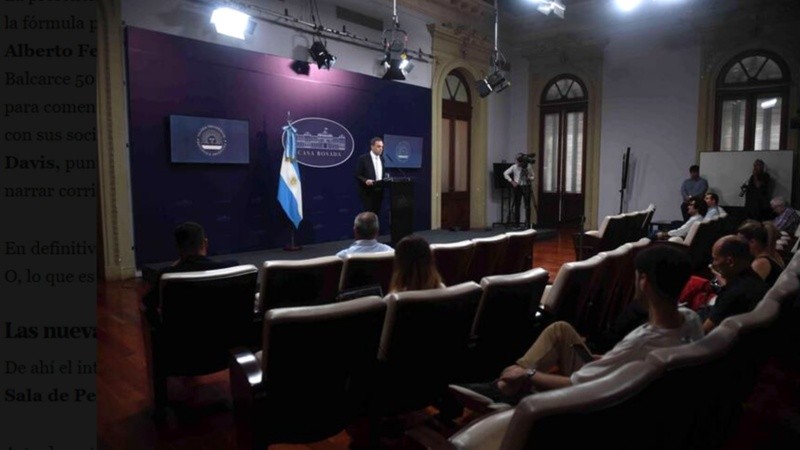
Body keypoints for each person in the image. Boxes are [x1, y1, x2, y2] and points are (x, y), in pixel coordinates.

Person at [492, 245, 702, 398]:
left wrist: (528, 374)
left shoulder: (642, 341)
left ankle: (504, 387)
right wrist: (609, 359)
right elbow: (628, 361)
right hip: (618, 378)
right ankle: (505, 386)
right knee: (560, 329)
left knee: (522, 374)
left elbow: (576, 385)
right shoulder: (692, 319)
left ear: (644, 282)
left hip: (596, 394)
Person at [142, 222, 239, 318]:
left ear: (177, 247)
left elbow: (148, 303)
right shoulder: (232, 269)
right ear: (205, 243)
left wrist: (173, 267)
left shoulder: (166, 275)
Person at [701, 235, 768, 333]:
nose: (713, 264)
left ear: (730, 262)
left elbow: (703, 332)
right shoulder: (753, 278)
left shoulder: (732, 294)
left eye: (715, 259)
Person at [737, 222, 784, 288]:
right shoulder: (773, 255)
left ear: (752, 242)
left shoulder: (761, 263)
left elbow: (747, 290)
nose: (738, 247)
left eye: (740, 242)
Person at [355, 137, 386, 214]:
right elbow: (357, 174)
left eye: (382, 147)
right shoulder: (363, 158)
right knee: (368, 216)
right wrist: (365, 180)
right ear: (372, 147)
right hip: (367, 193)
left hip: (379, 192)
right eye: (378, 146)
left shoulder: (382, 159)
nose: (381, 149)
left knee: (376, 215)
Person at [503, 153, 535, 228]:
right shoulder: (514, 167)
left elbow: (533, 176)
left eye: (519, 162)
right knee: (517, 205)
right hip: (517, 187)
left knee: (527, 206)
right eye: (517, 162)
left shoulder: (528, 166)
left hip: (526, 186)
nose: (518, 163)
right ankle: (517, 224)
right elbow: (505, 173)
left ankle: (527, 224)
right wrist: (511, 181)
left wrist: (529, 178)